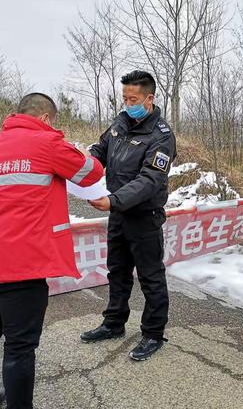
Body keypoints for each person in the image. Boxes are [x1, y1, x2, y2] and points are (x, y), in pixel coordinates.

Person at [0, 93, 104, 409]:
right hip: (22, 264)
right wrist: (73, 147)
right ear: (46, 118)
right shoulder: (47, 143)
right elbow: (92, 172)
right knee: (19, 347)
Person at [80, 70, 176, 361]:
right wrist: (79, 166)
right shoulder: (119, 124)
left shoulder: (161, 136)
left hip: (143, 217)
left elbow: (150, 180)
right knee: (117, 272)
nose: (127, 103)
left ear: (149, 98)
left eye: (132, 99)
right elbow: (99, 151)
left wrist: (114, 200)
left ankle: (153, 334)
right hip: (118, 214)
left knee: (151, 277)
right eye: (124, 98)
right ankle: (113, 323)